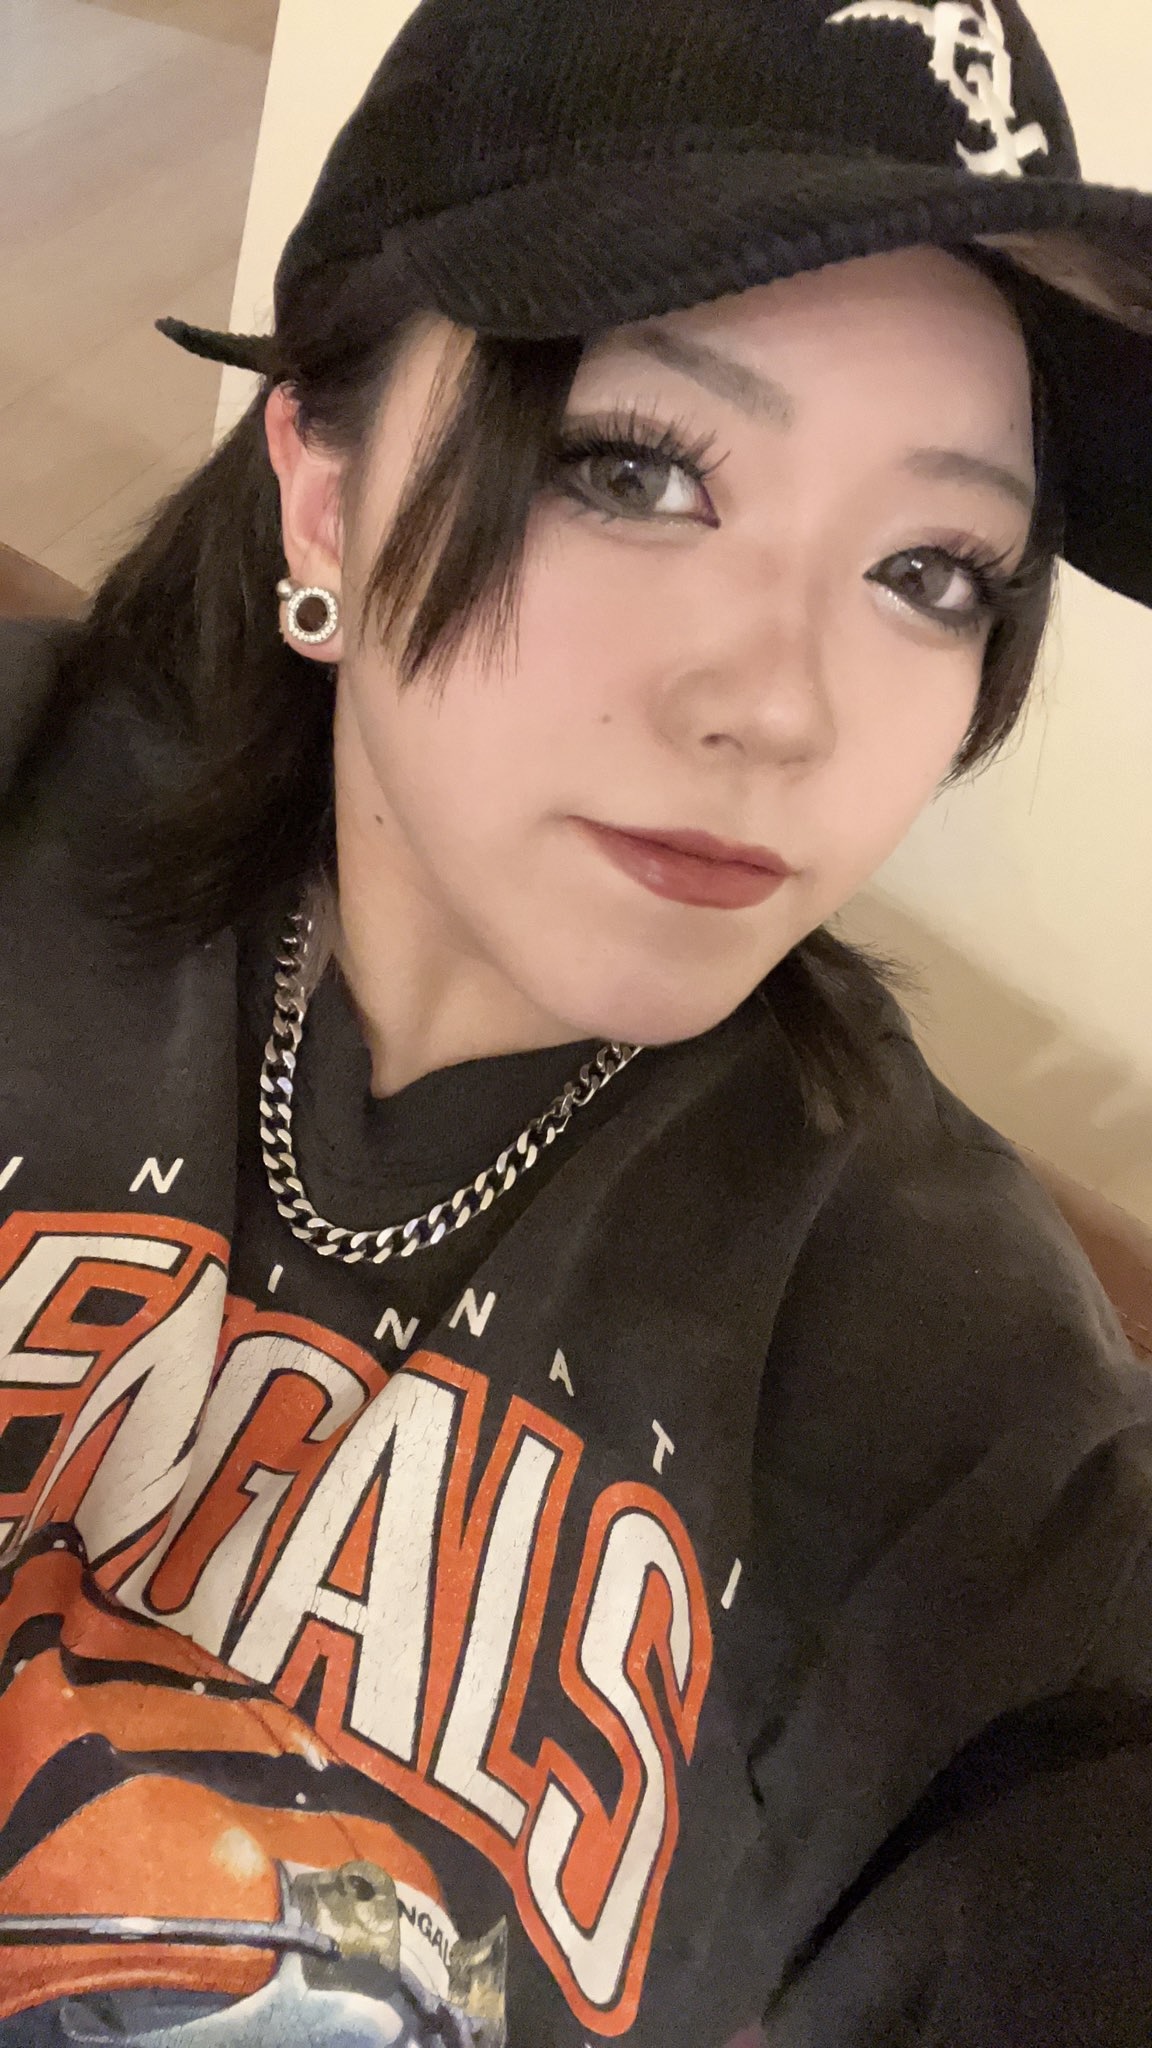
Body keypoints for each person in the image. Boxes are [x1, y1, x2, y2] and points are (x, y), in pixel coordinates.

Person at [1, 0, 1152, 2040]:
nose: (780, 707)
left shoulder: (952, 1383)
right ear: (324, 483)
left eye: (931, 568)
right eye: (638, 469)